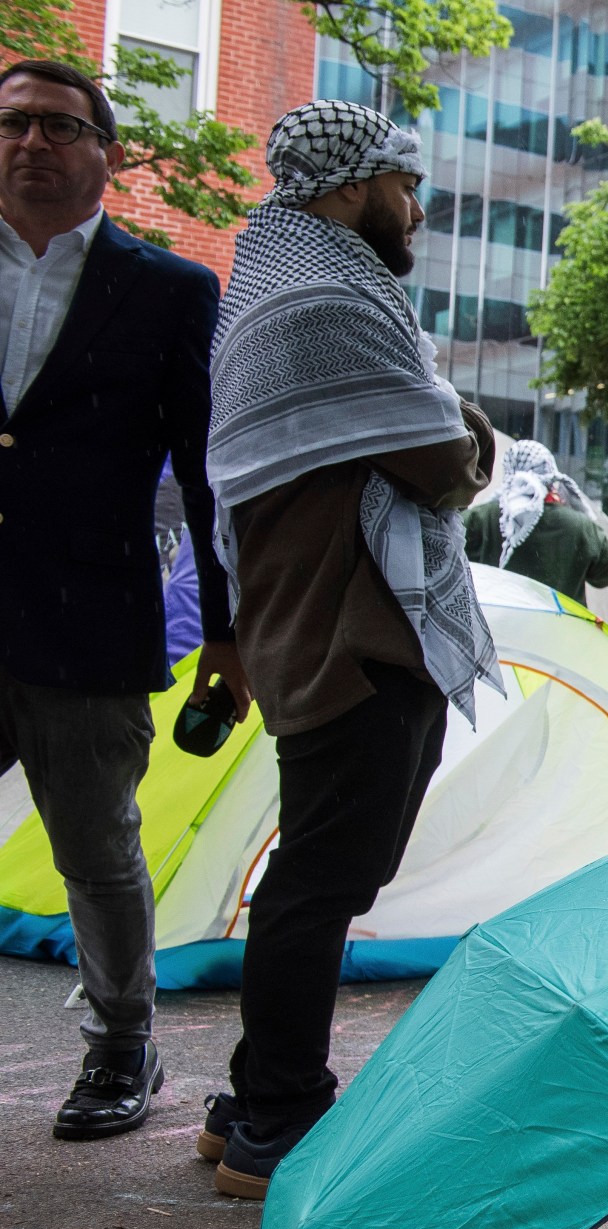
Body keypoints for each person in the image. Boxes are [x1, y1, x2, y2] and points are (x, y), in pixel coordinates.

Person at [200, 101, 502, 1199]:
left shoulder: (282, 283)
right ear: (345, 190)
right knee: (323, 880)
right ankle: (278, 1122)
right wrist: (463, 428)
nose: (413, 208)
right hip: (351, 630)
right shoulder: (326, 299)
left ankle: (249, 1095)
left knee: (319, 870)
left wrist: (447, 420)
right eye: (403, 185)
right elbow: (443, 457)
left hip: (324, 620)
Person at [0, 60, 247, 1141]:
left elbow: (207, 472)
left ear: (107, 153)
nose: (31, 142)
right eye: (12, 123)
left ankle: (121, 1046)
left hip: (89, 618)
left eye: (60, 125)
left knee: (98, 849)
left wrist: (230, 634)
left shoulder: (171, 290)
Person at [464, 440, 608, 601]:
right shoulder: (579, 525)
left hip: (497, 622)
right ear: (550, 473)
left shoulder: (480, 518)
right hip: (557, 624)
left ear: (509, 470)